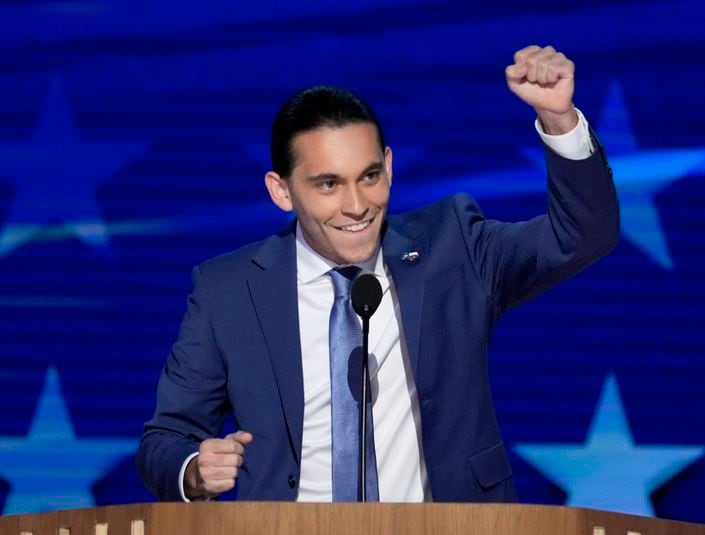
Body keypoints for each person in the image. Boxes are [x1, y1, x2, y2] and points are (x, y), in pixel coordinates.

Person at [136, 44, 620, 503]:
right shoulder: (229, 290)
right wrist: (194, 469)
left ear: (388, 166)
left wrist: (558, 119)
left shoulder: (453, 246)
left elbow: (582, 236)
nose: (356, 205)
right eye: (328, 184)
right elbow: (166, 438)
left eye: (369, 176)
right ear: (281, 191)